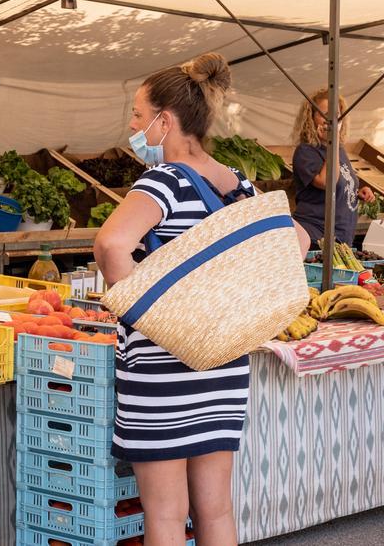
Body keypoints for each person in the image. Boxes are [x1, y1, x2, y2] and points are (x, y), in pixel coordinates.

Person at [93, 53, 309, 546]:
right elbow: (297, 241)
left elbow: (110, 245)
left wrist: (150, 313)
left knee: (167, 517)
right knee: (216, 511)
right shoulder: (238, 184)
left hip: (163, 368)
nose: (132, 124)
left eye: (137, 114)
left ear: (164, 121)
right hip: (224, 361)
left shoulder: (163, 181)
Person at [291, 88, 374, 245]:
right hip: (315, 237)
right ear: (311, 118)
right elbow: (327, 182)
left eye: (336, 115)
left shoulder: (339, 150)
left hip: (341, 237)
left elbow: (339, 184)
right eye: (325, 115)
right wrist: (332, 143)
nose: (332, 120)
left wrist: (357, 192)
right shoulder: (305, 151)